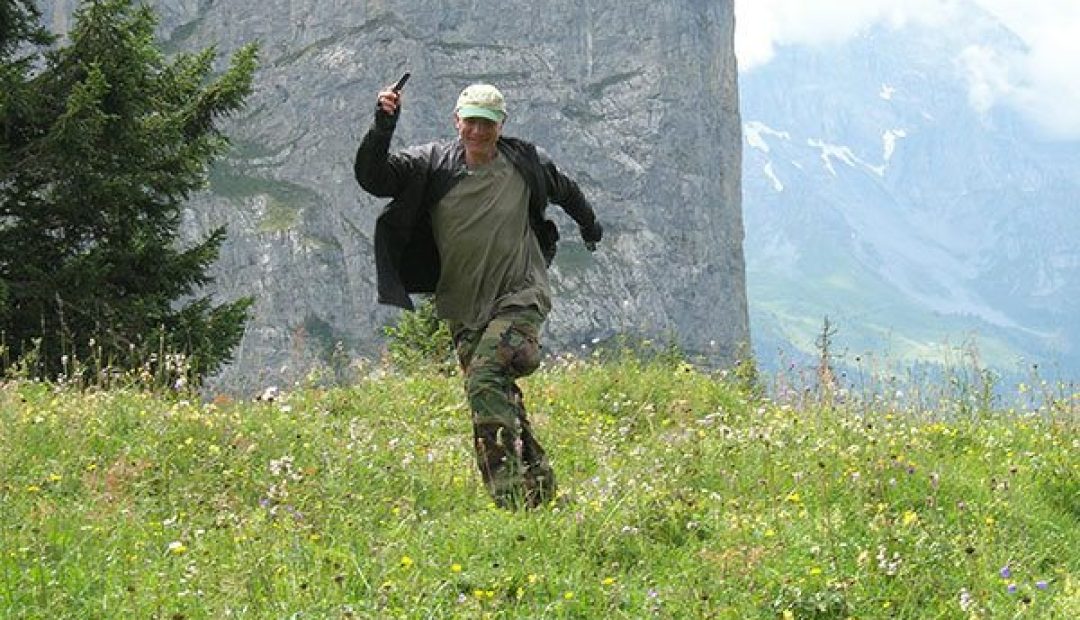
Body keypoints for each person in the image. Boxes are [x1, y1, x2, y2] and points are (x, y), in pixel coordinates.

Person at [354, 81, 603, 509]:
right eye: (470, 121)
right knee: (494, 394)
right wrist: (383, 125)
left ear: (500, 125)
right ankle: (541, 493)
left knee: (486, 378)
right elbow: (373, 177)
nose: (477, 132)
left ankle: (510, 503)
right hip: (464, 307)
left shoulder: (525, 162)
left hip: (520, 294)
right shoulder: (431, 165)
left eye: (487, 124)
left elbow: (568, 190)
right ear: (457, 121)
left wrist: (590, 227)